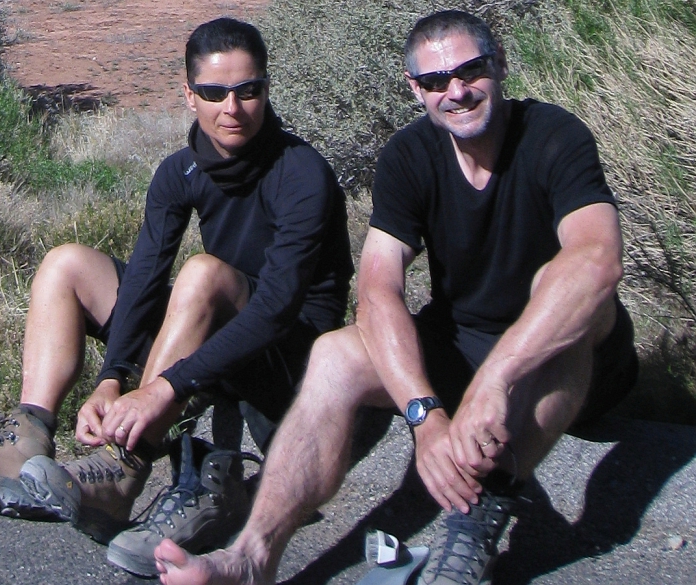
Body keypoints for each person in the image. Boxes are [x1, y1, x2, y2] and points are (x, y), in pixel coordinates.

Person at [154, 9, 639, 585]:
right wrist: (423, 413)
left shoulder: (554, 136)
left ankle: (477, 520)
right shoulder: (410, 155)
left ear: (500, 65)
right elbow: (379, 287)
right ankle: (252, 556)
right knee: (335, 354)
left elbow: (597, 260)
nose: (456, 91)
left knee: (558, 291)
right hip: (463, 347)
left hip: (572, 364)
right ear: (416, 89)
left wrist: (496, 381)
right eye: (435, 81)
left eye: (471, 71)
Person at [0, 17, 353, 578]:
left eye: (249, 90)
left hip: (291, 368)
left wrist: (161, 389)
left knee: (202, 275)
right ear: (188, 93)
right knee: (68, 265)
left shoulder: (303, 172)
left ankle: (124, 465)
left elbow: (277, 309)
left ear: (267, 88)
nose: (233, 108)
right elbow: (144, 280)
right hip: (216, 336)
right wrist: (113, 378)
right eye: (214, 92)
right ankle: (30, 435)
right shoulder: (181, 171)